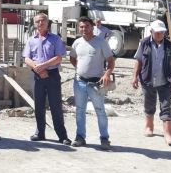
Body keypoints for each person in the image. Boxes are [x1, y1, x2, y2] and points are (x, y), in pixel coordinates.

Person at [131, 19, 171, 146]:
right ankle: (149, 127)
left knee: (166, 106)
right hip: (147, 79)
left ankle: (168, 134)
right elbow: (139, 61)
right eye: (157, 32)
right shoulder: (144, 43)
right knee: (149, 104)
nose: (160, 34)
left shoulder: (170, 45)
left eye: (162, 32)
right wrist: (134, 77)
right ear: (151, 31)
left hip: (165, 80)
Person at [22, 13, 71, 145]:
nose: (40, 23)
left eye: (43, 20)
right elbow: (26, 58)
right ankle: (40, 133)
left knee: (55, 106)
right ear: (34, 24)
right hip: (37, 75)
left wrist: (43, 66)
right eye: (37, 21)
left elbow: (59, 57)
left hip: (52, 75)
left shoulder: (55, 39)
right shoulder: (31, 40)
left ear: (47, 22)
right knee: (38, 105)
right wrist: (37, 68)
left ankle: (62, 136)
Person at [70, 16, 115, 151]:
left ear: (92, 27)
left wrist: (106, 74)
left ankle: (104, 138)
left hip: (96, 83)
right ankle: (80, 137)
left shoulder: (101, 42)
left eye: (87, 26)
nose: (84, 29)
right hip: (79, 82)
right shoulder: (77, 43)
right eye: (81, 27)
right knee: (80, 110)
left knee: (100, 110)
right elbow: (72, 58)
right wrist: (79, 68)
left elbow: (111, 61)